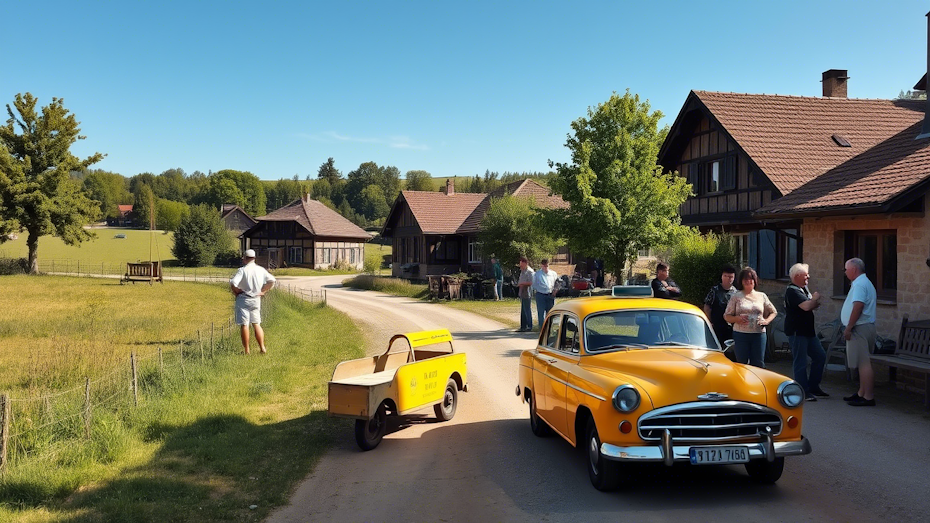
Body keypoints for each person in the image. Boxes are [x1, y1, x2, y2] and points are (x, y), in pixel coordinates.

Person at [784, 263, 827, 402]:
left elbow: (812, 305)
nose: (808, 276)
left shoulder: (802, 289)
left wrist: (813, 302)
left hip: (808, 331)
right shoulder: (792, 291)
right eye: (805, 275)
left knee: (820, 356)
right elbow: (807, 306)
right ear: (797, 276)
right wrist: (814, 299)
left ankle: (813, 386)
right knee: (801, 361)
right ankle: (802, 390)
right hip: (797, 332)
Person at [724, 267, 777, 367]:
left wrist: (766, 321)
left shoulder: (762, 296)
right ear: (741, 281)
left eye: (751, 278)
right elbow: (726, 316)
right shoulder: (736, 296)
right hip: (740, 335)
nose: (748, 281)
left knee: (758, 364)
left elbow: (773, 312)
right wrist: (737, 319)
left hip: (758, 335)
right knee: (741, 364)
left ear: (755, 280)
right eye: (745, 279)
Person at [841, 257, 877, 407]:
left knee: (863, 363)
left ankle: (868, 397)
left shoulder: (860, 284)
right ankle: (861, 392)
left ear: (854, 269)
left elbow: (858, 307)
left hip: (859, 328)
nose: (845, 272)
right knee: (861, 362)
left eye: (846, 269)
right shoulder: (862, 282)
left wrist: (849, 327)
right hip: (863, 326)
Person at [229, 249, 276, 355]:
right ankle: (262, 348)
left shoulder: (242, 270)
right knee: (256, 323)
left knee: (244, 324)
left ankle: (247, 351)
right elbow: (272, 280)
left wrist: (236, 291)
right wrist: (263, 291)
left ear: (245, 258)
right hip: (256, 299)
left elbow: (233, 282)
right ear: (254, 258)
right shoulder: (260, 270)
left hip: (244, 299)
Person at [703, 264, 737, 344]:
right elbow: (707, 306)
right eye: (725, 276)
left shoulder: (736, 293)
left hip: (731, 328)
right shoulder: (714, 290)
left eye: (730, 277)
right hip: (716, 326)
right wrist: (709, 321)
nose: (728, 279)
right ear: (721, 276)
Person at [532, 259, 558, 327]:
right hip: (540, 295)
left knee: (550, 312)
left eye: (547, 266)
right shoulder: (537, 274)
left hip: (550, 295)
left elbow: (557, 283)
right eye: (544, 266)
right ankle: (542, 327)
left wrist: (555, 290)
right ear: (541, 265)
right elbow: (533, 284)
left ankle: (549, 327)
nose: (546, 267)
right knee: (541, 312)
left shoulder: (553, 274)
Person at [516, 257, 535, 332]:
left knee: (527, 310)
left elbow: (531, 282)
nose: (520, 266)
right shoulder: (522, 271)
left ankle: (529, 326)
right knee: (523, 310)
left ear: (525, 263)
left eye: (521, 264)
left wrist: (522, 283)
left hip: (527, 292)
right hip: (522, 292)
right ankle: (523, 326)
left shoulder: (529, 271)